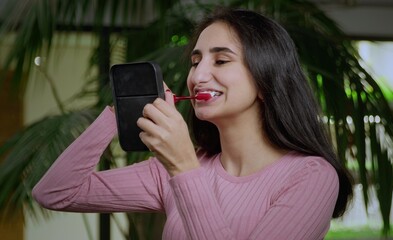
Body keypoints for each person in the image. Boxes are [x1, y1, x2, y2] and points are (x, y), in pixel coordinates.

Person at [33, 7, 353, 240]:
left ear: (266, 79)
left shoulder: (311, 176)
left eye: (222, 60)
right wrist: (119, 112)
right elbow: (56, 192)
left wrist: (185, 168)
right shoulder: (171, 170)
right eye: (196, 61)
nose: (197, 77)